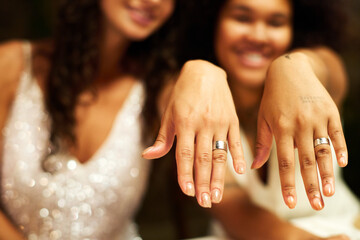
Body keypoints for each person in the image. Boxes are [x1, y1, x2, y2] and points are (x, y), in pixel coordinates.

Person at [0, 0, 246, 239]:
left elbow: (228, 194)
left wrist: (205, 71)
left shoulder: (157, 87)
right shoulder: (12, 65)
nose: (154, 1)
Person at [183, 0, 360, 239]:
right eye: (242, 18)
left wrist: (294, 66)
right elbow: (235, 209)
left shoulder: (317, 75)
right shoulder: (197, 97)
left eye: (276, 23)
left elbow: (325, 66)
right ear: (213, 23)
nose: (259, 36)